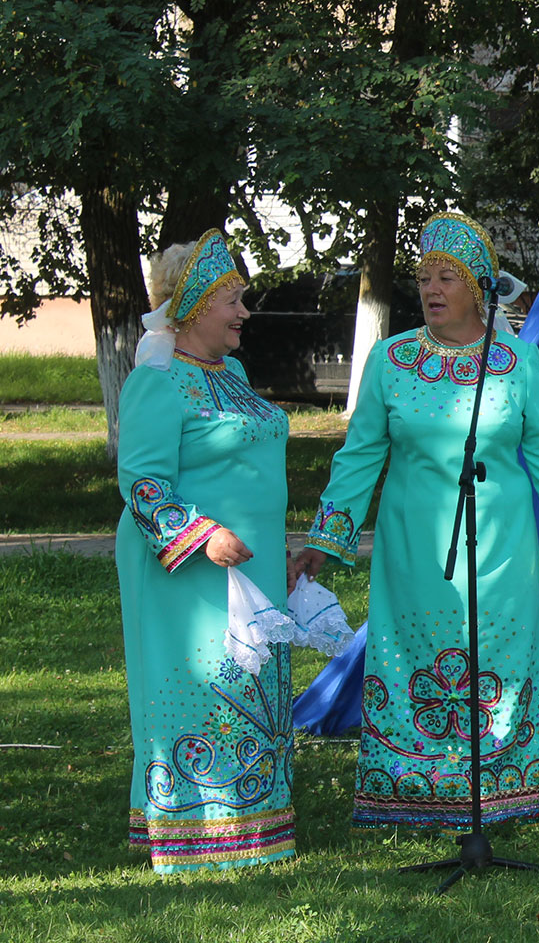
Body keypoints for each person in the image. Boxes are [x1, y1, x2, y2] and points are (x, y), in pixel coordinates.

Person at [290, 212, 539, 830]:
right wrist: (325, 539)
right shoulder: (391, 361)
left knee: (498, 655)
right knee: (413, 654)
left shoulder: (517, 362)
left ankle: (501, 790)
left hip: (501, 546)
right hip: (413, 547)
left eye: (446, 278)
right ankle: (411, 789)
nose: (431, 289)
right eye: (424, 278)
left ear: (476, 288)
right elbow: (359, 458)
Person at [115, 230, 296, 871]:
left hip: (253, 563)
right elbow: (141, 483)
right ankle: (196, 827)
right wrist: (202, 534)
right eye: (232, 300)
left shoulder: (233, 373)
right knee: (203, 685)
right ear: (194, 306)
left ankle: (253, 821)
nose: (244, 312)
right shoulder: (157, 381)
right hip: (190, 569)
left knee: (251, 684)